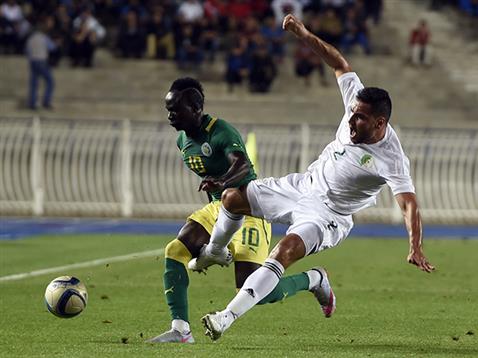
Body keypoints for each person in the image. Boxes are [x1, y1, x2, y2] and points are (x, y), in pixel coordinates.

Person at [196, 14, 435, 341]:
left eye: (361, 119)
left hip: (329, 216)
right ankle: (214, 251)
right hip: (301, 186)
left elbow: (408, 204)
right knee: (232, 198)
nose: (352, 120)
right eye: (352, 113)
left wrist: (415, 246)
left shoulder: (391, 157)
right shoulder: (358, 101)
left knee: (283, 250)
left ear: (380, 124)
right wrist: (302, 32)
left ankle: (225, 317)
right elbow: (339, 63)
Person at [146, 77, 324, 344]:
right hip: (218, 206)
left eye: (176, 110)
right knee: (175, 250)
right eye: (168, 109)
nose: (170, 116)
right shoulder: (182, 140)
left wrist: (220, 182)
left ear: (195, 109)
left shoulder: (221, 132)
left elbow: (241, 165)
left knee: (252, 288)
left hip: (249, 207)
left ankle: (313, 279)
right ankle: (181, 329)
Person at [25, 17, 56, 110]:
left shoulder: (30, 39)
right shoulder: (44, 38)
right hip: (41, 61)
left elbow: (26, 50)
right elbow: (52, 47)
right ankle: (46, 102)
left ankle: (32, 103)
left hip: (32, 61)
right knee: (50, 81)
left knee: (34, 83)